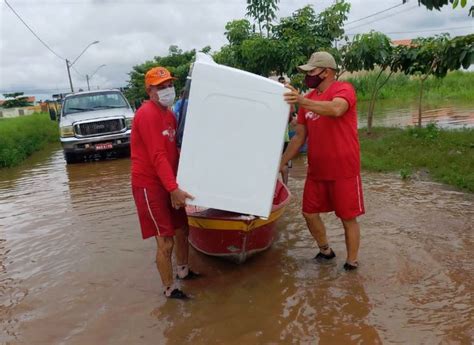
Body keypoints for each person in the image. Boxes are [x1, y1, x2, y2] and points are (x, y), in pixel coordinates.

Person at [280, 52, 364, 271]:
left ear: (326, 71)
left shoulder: (343, 89)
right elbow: (299, 137)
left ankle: (351, 263)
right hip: (316, 169)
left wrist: (302, 101)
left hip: (344, 168)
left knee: (347, 217)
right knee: (308, 212)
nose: (308, 76)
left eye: (311, 71)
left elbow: (336, 109)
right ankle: (326, 250)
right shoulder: (309, 98)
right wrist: (281, 162)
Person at [131, 66, 200, 300]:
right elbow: (157, 156)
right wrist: (173, 188)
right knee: (165, 240)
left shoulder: (169, 114)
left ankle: (183, 271)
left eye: (169, 85)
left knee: (183, 229)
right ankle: (170, 289)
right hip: (150, 186)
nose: (167, 90)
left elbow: (175, 151)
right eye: (161, 87)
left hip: (168, 182)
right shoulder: (147, 114)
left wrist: (181, 182)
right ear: (150, 90)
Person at [277, 75, 293, 185]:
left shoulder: (276, 96)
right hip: (284, 137)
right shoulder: (288, 97)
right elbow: (292, 115)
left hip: (278, 138)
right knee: (284, 163)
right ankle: (285, 186)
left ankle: (278, 187)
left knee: (277, 163)